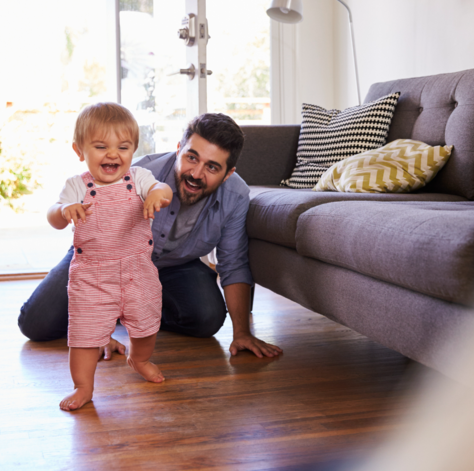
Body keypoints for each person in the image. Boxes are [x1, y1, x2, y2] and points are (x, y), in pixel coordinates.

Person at [18, 112, 282, 365]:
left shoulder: (236, 196)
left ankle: (133, 311)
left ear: (228, 173)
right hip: (102, 259)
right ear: (179, 148)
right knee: (36, 323)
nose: (196, 173)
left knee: (207, 319)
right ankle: (115, 309)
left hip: (176, 265)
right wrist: (98, 329)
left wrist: (242, 333)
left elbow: (233, 263)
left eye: (212, 167)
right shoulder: (137, 173)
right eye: (191, 158)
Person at [51, 102, 173, 411]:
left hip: (137, 273)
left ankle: (139, 358)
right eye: (101, 146)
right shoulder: (78, 185)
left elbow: (163, 188)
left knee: (146, 326)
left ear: (133, 149)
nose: (112, 154)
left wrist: (159, 193)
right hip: (92, 277)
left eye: (123, 146)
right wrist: (65, 212)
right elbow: (53, 214)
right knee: (84, 337)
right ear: (80, 150)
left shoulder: (140, 178)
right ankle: (83, 386)